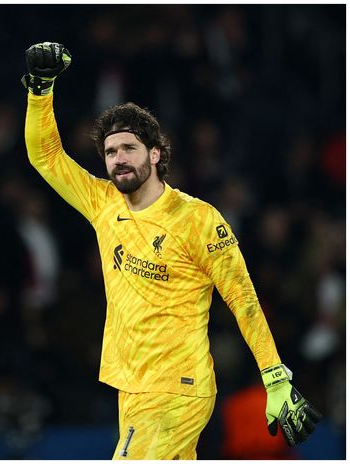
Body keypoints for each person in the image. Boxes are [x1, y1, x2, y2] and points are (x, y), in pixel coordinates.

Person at [22, 42, 322, 459]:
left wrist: (274, 376)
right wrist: (40, 92)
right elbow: (45, 156)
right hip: (133, 385)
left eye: (129, 148)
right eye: (110, 152)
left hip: (176, 386)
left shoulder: (197, 219)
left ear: (155, 153)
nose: (118, 159)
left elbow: (242, 297)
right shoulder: (103, 203)